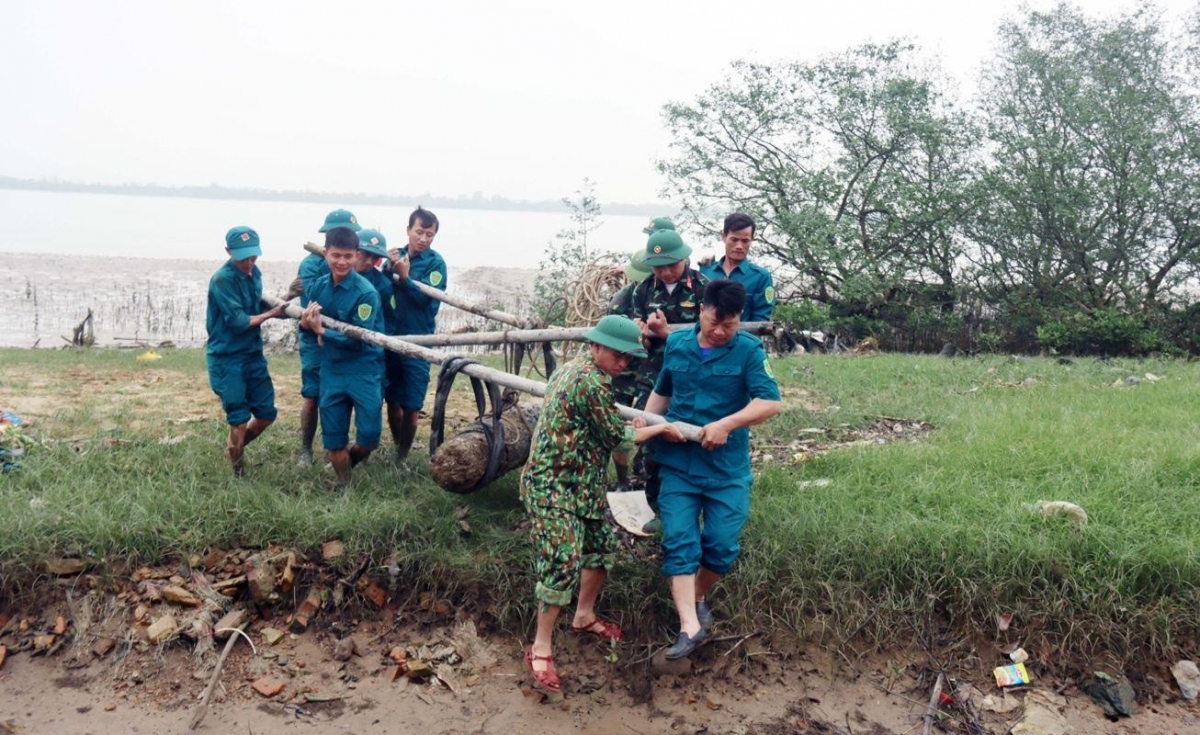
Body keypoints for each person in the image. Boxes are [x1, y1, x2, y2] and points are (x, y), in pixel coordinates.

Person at [520, 315, 685, 695]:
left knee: (599, 549)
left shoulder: (575, 369)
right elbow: (619, 440)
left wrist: (633, 428)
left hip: (581, 483)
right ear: (596, 346)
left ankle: (583, 615)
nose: (623, 363)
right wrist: (659, 427)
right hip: (553, 486)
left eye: (629, 358)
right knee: (562, 560)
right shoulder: (589, 382)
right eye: (617, 354)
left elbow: (608, 431)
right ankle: (541, 647)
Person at [645, 279, 782, 659]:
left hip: (726, 469)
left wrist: (726, 425)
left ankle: (700, 592)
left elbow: (769, 403)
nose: (721, 332)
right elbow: (663, 391)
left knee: (721, 547)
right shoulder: (677, 343)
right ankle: (688, 625)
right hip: (678, 465)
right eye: (714, 323)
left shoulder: (750, 351)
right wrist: (647, 423)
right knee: (679, 542)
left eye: (730, 325)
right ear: (700, 311)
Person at [618, 229, 708, 516]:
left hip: (693, 375)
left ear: (685, 259)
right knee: (650, 435)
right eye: (659, 266)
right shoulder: (642, 290)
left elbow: (711, 339)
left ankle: (697, 500)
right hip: (653, 375)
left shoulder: (703, 289)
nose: (667, 272)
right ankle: (654, 504)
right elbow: (639, 342)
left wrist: (666, 333)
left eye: (672, 264)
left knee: (692, 434)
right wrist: (642, 335)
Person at [299, 226, 384, 485]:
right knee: (334, 438)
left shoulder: (366, 293)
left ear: (357, 255)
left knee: (369, 437)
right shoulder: (316, 289)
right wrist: (306, 325)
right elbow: (306, 330)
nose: (342, 262)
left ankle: (351, 460)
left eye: (348, 256)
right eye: (336, 255)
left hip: (363, 370)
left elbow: (359, 337)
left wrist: (321, 330)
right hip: (332, 370)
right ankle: (344, 484)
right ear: (325, 254)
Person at [205, 226, 287, 476]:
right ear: (228, 251)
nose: (249, 262)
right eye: (243, 257)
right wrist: (272, 314)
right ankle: (238, 472)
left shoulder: (255, 272)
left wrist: (288, 298)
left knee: (266, 414)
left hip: (252, 355)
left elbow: (255, 303)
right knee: (239, 420)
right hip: (227, 358)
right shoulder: (222, 280)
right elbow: (239, 321)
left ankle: (234, 450)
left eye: (253, 256)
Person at [295, 208, 362, 468]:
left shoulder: (356, 262)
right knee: (312, 395)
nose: (342, 260)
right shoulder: (311, 266)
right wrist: (323, 330)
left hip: (344, 341)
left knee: (341, 395)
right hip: (315, 339)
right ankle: (305, 450)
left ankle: (336, 448)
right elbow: (311, 309)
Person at [384, 207, 447, 463]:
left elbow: (428, 303)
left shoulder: (435, 263)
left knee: (412, 406)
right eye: (419, 232)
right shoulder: (394, 256)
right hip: (390, 337)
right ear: (408, 230)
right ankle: (398, 448)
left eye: (429, 234)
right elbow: (377, 288)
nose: (423, 239)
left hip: (420, 340)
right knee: (392, 400)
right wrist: (387, 269)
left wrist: (405, 278)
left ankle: (402, 457)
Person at [699, 213, 775, 322]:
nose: (739, 246)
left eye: (745, 241)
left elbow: (761, 318)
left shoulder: (761, 277)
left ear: (752, 239)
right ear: (724, 237)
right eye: (734, 240)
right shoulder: (706, 270)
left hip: (742, 337)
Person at [354, 228, 398, 386]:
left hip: (370, 356)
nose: (369, 262)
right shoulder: (335, 277)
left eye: (375, 258)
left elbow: (390, 320)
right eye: (365, 255)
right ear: (355, 251)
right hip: (338, 355)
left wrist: (376, 342)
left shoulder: (383, 285)